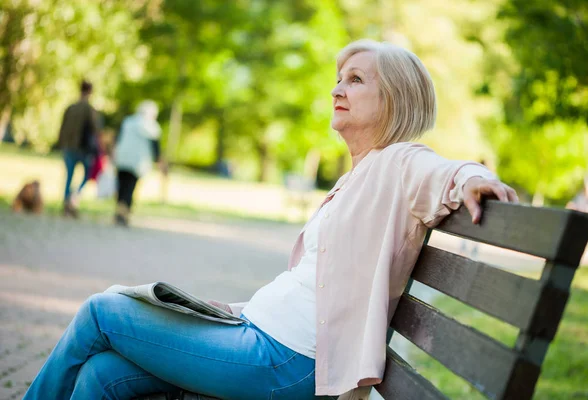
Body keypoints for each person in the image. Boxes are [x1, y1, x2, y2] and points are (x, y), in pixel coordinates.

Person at [23, 40, 518, 400]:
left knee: (100, 311)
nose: (336, 88)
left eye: (356, 79)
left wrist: (475, 179)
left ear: (394, 99)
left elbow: (446, 172)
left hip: (285, 361)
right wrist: (238, 309)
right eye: (339, 78)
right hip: (258, 336)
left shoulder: (398, 162)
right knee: (102, 376)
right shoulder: (360, 176)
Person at [113, 100, 167, 227]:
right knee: (130, 187)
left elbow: (118, 138)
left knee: (122, 185)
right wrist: (159, 162)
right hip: (137, 162)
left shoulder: (128, 121)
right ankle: (124, 213)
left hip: (122, 158)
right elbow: (155, 148)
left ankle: (120, 211)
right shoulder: (151, 126)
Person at [58, 80, 101, 218]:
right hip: (83, 149)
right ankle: (73, 198)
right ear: (90, 92)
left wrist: (62, 143)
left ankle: (67, 202)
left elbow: (62, 127)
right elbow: (95, 129)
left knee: (69, 176)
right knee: (86, 175)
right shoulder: (89, 109)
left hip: (69, 147)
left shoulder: (70, 107)